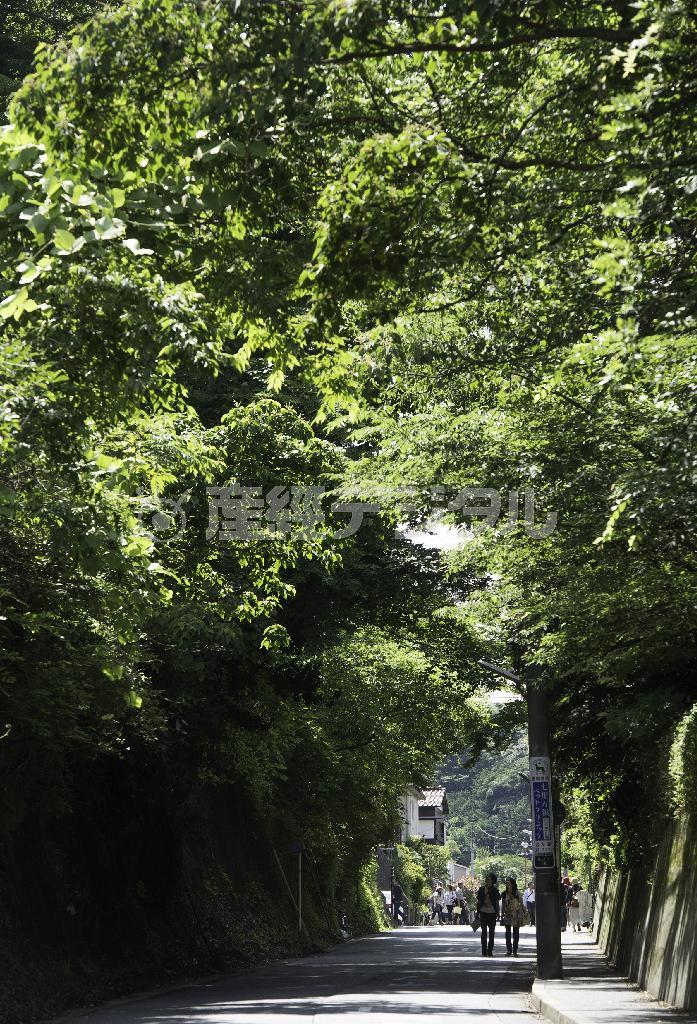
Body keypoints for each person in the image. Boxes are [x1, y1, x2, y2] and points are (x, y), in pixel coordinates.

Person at [477, 873, 501, 956]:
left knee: (491, 933)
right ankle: (484, 950)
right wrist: (478, 913)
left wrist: (498, 913)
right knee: (483, 932)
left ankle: (490, 950)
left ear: (492, 881)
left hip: (492, 913)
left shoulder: (495, 890)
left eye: (489, 879)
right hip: (483, 912)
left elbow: (497, 903)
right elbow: (479, 901)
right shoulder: (481, 889)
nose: (487, 880)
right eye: (486, 878)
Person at [500, 877, 526, 956]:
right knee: (507, 934)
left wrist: (524, 912)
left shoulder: (517, 893)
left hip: (516, 915)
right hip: (507, 915)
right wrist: (502, 914)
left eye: (508, 882)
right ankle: (509, 950)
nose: (507, 884)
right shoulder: (504, 894)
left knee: (516, 933)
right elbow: (503, 904)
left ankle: (515, 951)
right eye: (506, 883)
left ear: (512, 884)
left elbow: (521, 904)